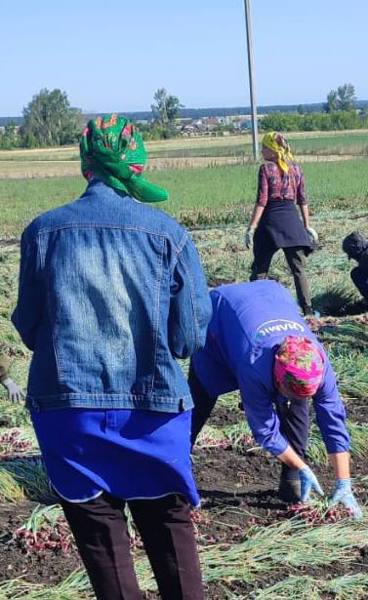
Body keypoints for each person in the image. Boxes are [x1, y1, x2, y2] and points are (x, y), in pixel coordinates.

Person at [12, 115, 211, 600]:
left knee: (103, 549)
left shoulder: (42, 233)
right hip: (153, 412)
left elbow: (29, 327)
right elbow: (188, 337)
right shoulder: (169, 234)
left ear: (86, 168)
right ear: (139, 165)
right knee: (170, 533)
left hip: (68, 415)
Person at [188, 280, 362, 518]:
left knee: (296, 406)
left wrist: (344, 482)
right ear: (277, 380)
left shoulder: (317, 364)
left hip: (271, 297)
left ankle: (291, 480)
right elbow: (264, 429)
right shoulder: (254, 366)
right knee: (199, 401)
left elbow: (333, 420)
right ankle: (174, 471)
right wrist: (303, 467)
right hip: (221, 317)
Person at [244, 132, 318, 315]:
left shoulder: (266, 169)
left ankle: (257, 309)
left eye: (264, 148)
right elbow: (303, 200)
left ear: (273, 150)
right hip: (292, 221)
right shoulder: (296, 169)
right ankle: (308, 310)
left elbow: (262, 200)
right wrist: (306, 226)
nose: (262, 151)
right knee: (298, 269)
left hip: (270, 222)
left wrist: (251, 227)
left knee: (260, 269)